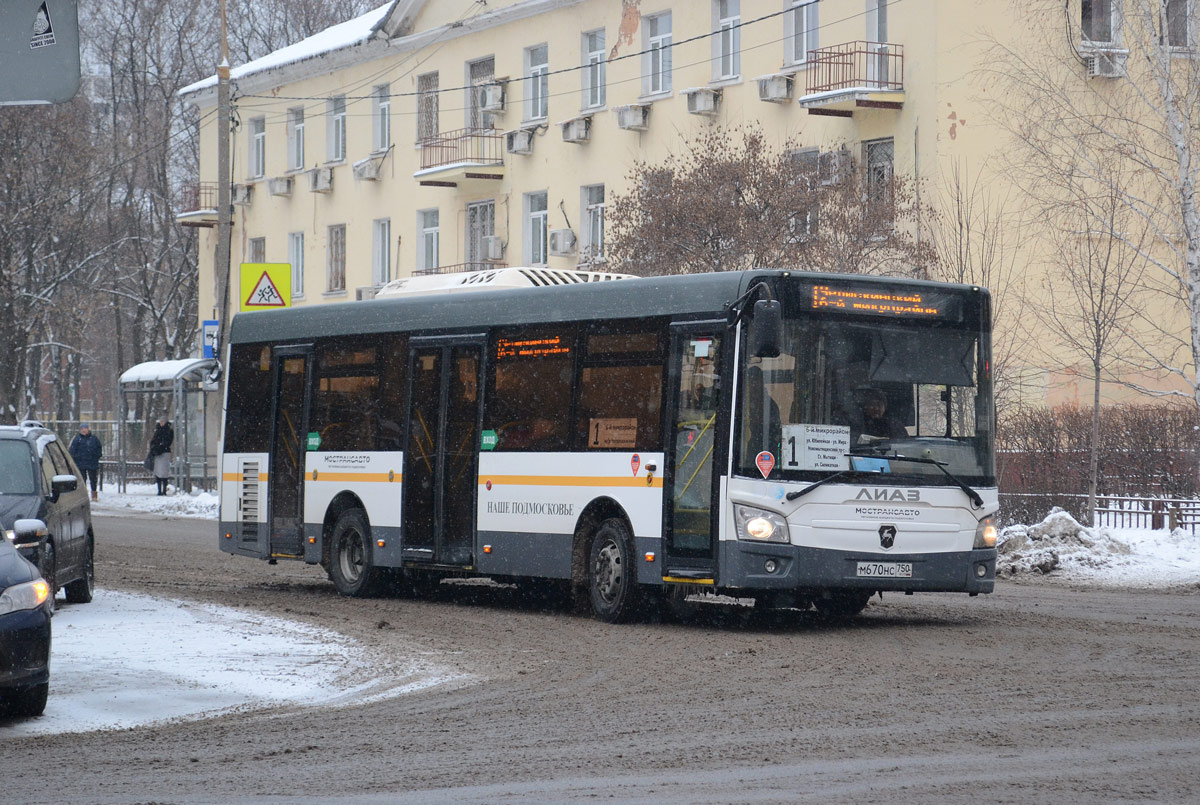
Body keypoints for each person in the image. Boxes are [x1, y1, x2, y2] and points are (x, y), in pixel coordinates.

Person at [68, 424, 102, 501]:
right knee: (82, 479)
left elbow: (99, 449)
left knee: (93, 479)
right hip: (80, 463)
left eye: (85, 428)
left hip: (92, 463)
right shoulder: (77, 439)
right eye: (82, 429)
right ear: (80, 430)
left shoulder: (94, 439)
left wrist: (96, 456)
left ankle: (94, 495)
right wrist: (77, 458)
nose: (84, 430)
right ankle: (83, 495)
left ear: (88, 429)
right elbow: (72, 451)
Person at [149, 416, 174, 496]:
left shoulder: (169, 431)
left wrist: (161, 446)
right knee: (158, 472)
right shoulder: (158, 430)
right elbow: (154, 440)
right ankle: (159, 490)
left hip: (165, 452)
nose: (161, 423)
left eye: (163, 421)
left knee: (164, 472)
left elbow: (168, 441)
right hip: (157, 453)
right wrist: (154, 448)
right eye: (161, 421)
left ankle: (164, 490)